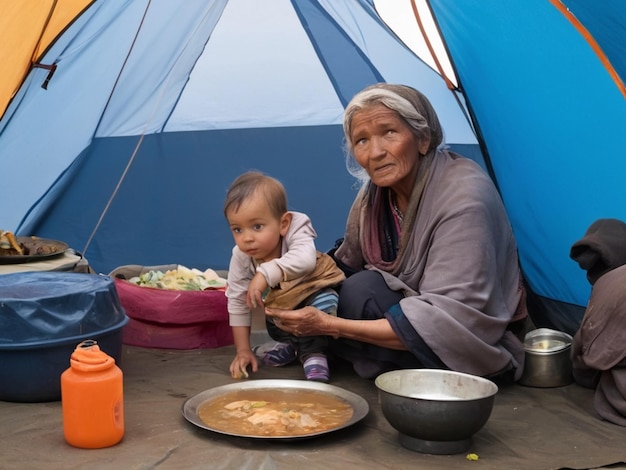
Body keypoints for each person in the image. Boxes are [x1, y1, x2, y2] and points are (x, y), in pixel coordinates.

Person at [265, 83, 528, 381]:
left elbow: (455, 317)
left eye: (389, 133)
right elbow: (343, 265)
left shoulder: (464, 197)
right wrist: (283, 278)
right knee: (326, 290)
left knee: (359, 294)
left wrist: (328, 326)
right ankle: (340, 348)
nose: (375, 153)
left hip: (467, 335)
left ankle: (346, 351)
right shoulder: (373, 197)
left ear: (423, 139)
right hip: (405, 312)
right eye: (362, 140)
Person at [224, 171, 345, 382]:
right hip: (282, 310)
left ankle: (314, 356)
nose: (247, 238)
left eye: (257, 226)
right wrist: (243, 350)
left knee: (324, 302)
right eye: (237, 229)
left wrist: (265, 273)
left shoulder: (296, 229)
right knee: (273, 317)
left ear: (283, 223)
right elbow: (236, 301)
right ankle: (292, 346)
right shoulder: (241, 255)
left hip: (314, 294)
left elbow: (305, 259)